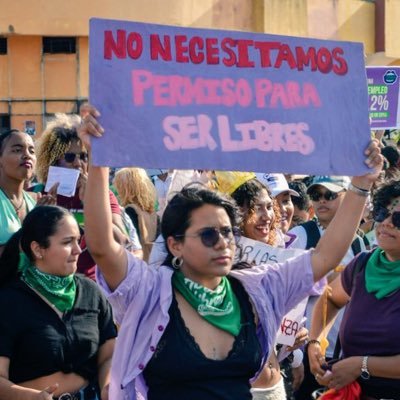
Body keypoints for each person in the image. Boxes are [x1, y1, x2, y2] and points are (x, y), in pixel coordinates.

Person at [79, 105, 382, 400]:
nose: (223, 242)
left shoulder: (256, 289)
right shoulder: (149, 291)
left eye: (227, 232)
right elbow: (103, 247)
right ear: (175, 245)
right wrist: (98, 161)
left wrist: (360, 185)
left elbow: (324, 258)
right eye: (209, 234)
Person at [0, 205, 117, 399]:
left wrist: (108, 387)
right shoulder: (8, 301)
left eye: (78, 241)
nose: (78, 250)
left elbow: (109, 354)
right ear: (38, 249)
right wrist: (30, 397)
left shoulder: (91, 292)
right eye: (67, 242)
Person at [308, 180, 400, 399]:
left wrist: (361, 365)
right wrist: (315, 343)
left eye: (398, 219)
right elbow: (330, 298)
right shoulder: (362, 264)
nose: (386, 223)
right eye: (381, 213)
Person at [33, 113, 142, 278]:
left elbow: (121, 241)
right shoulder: (38, 193)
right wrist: (40, 215)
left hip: (90, 284)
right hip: (48, 282)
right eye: (70, 157)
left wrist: (90, 203)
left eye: (84, 157)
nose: (78, 163)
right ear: (53, 160)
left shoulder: (103, 195)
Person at [290, 176, 366, 400]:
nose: (322, 201)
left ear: (347, 196)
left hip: (343, 353)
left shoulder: (358, 241)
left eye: (330, 195)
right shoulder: (301, 235)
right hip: (306, 351)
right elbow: (285, 289)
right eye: (316, 195)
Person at [231, 177, 307, 399]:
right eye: (255, 209)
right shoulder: (219, 262)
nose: (267, 216)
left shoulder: (278, 254)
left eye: (268, 206)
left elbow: (284, 322)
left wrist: (293, 345)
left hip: (273, 379)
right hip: (237, 382)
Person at [0, 129, 55, 256]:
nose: (27, 155)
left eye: (32, 151)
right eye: (17, 150)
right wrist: (32, 224)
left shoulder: (36, 200)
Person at [113, 167, 159, 261]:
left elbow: (131, 242)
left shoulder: (130, 210)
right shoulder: (153, 213)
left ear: (126, 188)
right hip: (153, 261)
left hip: (139, 262)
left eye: (119, 185)